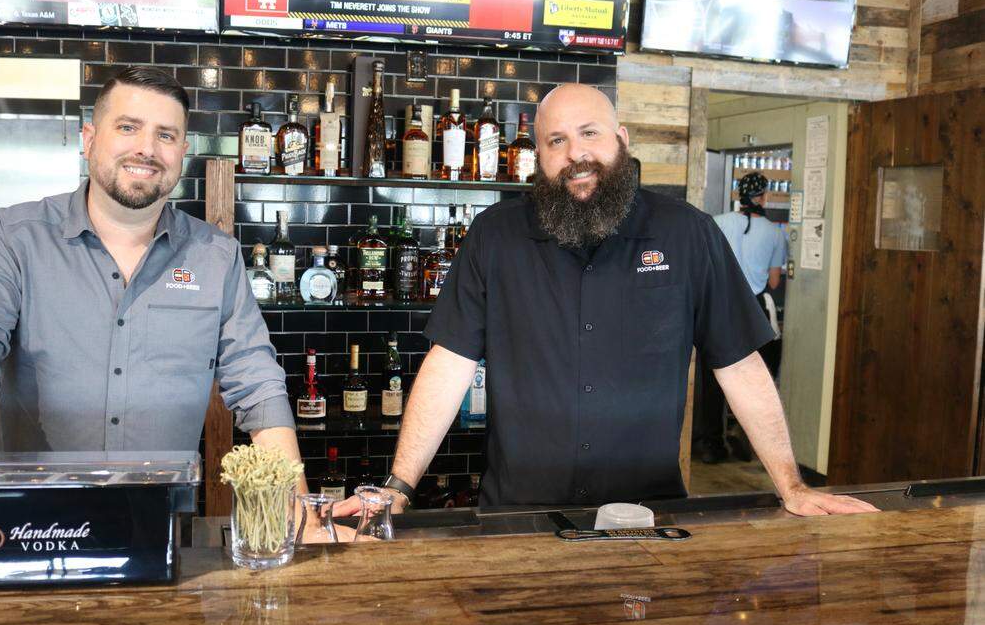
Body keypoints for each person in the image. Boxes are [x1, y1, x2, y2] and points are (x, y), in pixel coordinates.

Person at [339, 84, 876, 517]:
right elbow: (449, 362)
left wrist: (791, 486)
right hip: (517, 516)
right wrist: (398, 487)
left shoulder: (688, 233)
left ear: (621, 139)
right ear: (537, 155)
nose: (576, 153)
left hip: (645, 514)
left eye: (589, 133)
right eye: (556, 141)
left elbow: (739, 364)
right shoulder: (495, 236)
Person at [0, 67, 305, 491]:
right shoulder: (16, 236)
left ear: (182, 151)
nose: (146, 149)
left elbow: (256, 380)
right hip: (36, 509)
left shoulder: (216, 256)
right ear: (89, 139)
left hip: (158, 511)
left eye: (165, 135)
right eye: (128, 127)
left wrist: (296, 501)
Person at [695, 172, 788, 463]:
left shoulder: (716, 222)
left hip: (718, 307)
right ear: (764, 197)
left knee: (714, 378)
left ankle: (711, 445)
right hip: (753, 310)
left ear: (738, 195)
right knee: (754, 376)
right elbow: (774, 281)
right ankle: (747, 438)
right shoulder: (775, 233)